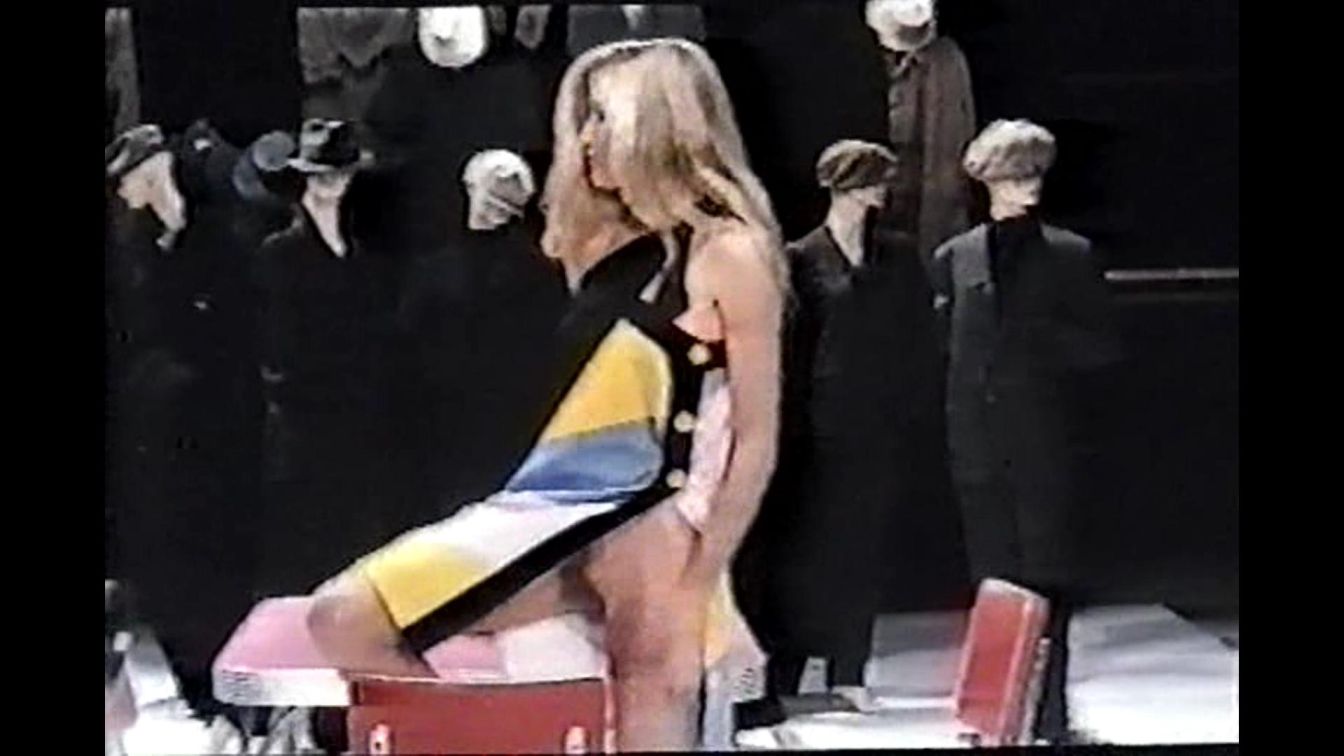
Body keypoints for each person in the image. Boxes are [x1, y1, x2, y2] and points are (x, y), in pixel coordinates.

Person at [304, 38, 785, 751]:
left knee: (650, 695)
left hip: (651, 518)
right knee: (343, 616)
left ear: (658, 122)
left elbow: (754, 435)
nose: (586, 139)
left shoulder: (727, 252)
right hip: (549, 505)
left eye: (603, 118)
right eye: (582, 120)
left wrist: (705, 576)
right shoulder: (609, 244)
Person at [931, 119, 1122, 743]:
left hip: (1045, 442)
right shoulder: (956, 258)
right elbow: (947, 355)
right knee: (992, 582)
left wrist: (1039, 344)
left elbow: (1103, 348)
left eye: (1036, 172)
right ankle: (995, 715)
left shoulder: (1070, 255)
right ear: (989, 179)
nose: (1029, 185)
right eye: (1017, 174)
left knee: (1048, 579)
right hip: (977, 444)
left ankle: (1050, 715)